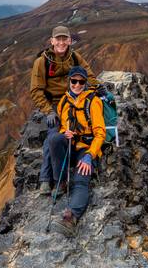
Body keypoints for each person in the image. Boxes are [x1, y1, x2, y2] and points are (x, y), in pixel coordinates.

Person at [31, 26, 96, 195]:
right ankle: (48, 179)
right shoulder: (42, 62)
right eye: (57, 39)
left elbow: (89, 75)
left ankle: (48, 179)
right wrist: (48, 111)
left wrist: (97, 89)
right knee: (53, 136)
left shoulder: (75, 57)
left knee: (62, 135)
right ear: (52, 41)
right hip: (53, 104)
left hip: (73, 100)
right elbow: (36, 90)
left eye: (64, 39)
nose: (61, 42)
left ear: (69, 41)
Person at [49, 66, 105, 237]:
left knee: (81, 181)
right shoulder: (64, 102)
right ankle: (61, 181)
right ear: (70, 81)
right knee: (54, 139)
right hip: (70, 144)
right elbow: (61, 127)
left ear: (85, 83)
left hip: (86, 149)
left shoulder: (93, 101)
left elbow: (100, 133)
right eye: (74, 81)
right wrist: (64, 133)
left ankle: (71, 217)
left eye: (81, 82)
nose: (77, 85)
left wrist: (89, 156)